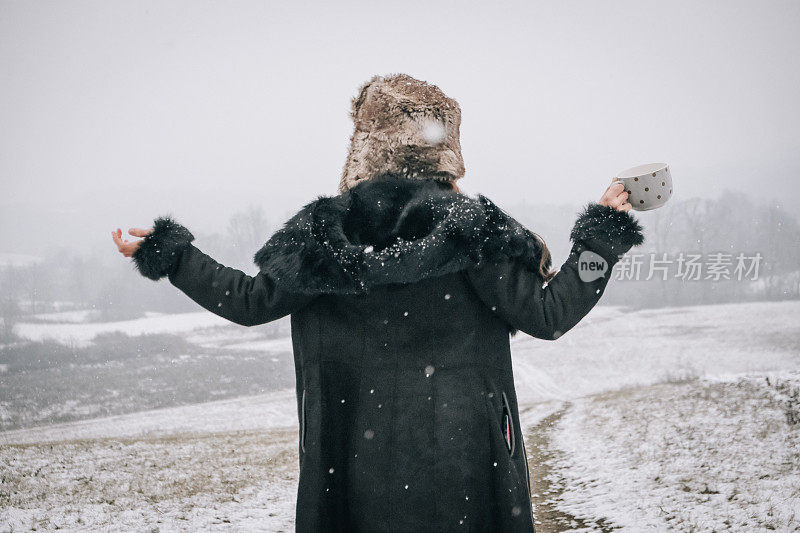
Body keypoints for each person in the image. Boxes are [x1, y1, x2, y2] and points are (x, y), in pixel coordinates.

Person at [112, 73, 643, 532]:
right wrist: (598, 241)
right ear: (446, 150)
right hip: (465, 476)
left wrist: (172, 256)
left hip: (354, 476)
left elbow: (248, 301)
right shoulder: (471, 229)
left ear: (365, 145)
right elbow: (549, 316)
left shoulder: (324, 234)